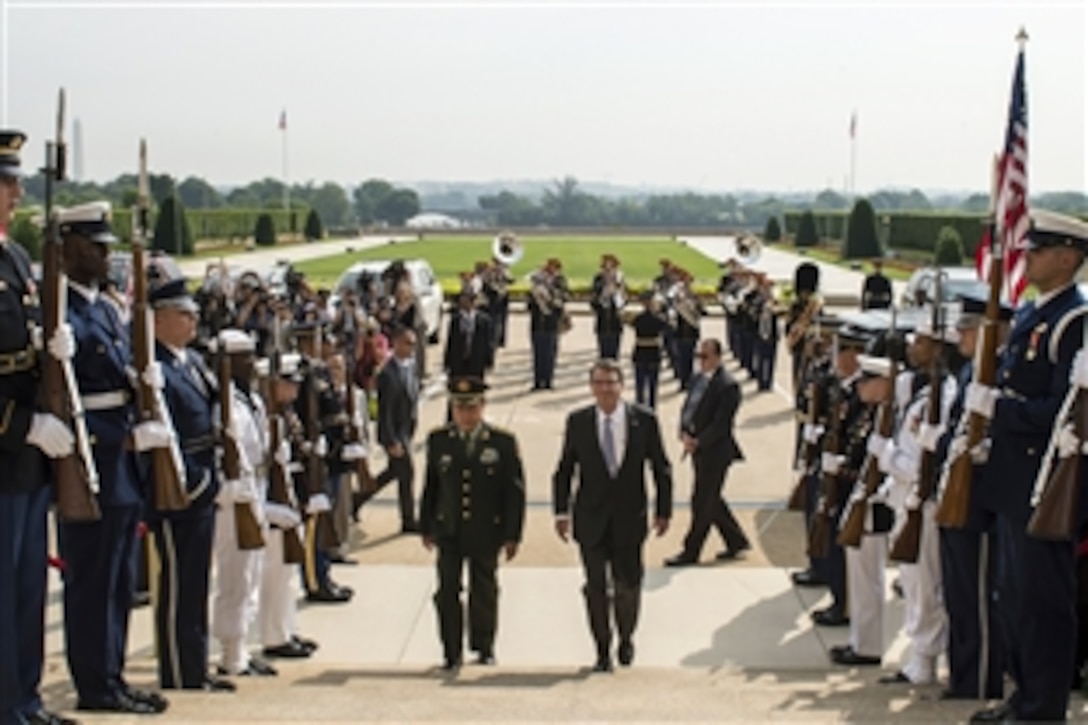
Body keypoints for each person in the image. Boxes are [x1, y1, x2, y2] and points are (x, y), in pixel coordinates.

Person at [968, 210, 1088, 724]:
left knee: (1043, 603)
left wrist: (998, 408)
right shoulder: (1031, 315)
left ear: (1069, 257)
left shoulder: (1073, 322)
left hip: (1044, 484)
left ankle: (1043, 707)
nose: (1028, 258)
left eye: (1038, 251)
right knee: (1012, 596)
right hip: (1013, 479)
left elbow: (1063, 411)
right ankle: (1022, 696)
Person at [59, 201, 172, 715]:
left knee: (121, 581)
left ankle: (113, 674)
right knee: (92, 582)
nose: (106, 256)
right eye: (96, 247)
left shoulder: (105, 308)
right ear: (70, 249)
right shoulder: (61, 311)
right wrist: (118, 436)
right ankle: (95, 684)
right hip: (94, 462)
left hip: (123, 464)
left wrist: (143, 389)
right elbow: (66, 398)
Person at [0, 129, 81, 725]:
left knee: (29, 588)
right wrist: (22, 423)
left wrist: (52, 348)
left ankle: (23, 699)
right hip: (8, 442)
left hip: (27, 460)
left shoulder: (16, 257)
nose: (17, 192)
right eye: (6, 183)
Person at [552, 359, 672, 672]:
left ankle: (626, 635)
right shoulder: (578, 421)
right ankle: (602, 648)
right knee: (595, 588)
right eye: (599, 383)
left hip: (629, 519)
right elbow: (565, 469)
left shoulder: (643, 420)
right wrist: (560, 511)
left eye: (611, 383)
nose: (605, 389)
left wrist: (663, 511)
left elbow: (661, 467)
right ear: (592, 387)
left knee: (628, 585)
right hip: (590, 519)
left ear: (621, 386)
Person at [147, 277, 235, 693]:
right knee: (178, 585)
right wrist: (198, 482)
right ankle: (179, 671)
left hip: (203, 478)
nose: (193, 319)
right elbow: (168, 434)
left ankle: (195, 665)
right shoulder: (157, 368)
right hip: (179, 488)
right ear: (160, 319)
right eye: (184, 314)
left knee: (197, 582)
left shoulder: (191, 362)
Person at [419, 377, 526, 672]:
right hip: (449, 529)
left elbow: (513, 492)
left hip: (485, 529)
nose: (465, 414)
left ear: (482, 407)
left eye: (471, 408)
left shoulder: (502, 442)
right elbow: (432, 486)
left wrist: (512, 534)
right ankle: (451, 650)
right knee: (447, 591)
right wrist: (425, 525)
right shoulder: (439, 440)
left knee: (484, 590)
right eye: (459, 408)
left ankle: (484, 644)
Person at [936, 291, 1013, 701]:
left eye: (969, 329)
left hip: (981, 499)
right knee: (959, 594)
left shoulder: (1000, 371)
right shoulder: (970, 372)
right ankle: (963, 674)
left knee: (980, 595)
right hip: (960, 493)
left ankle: (983, 677)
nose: (961, 336)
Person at [211, 328, 278, 679]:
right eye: (245, 356)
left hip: (255, 487)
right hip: (236, 493)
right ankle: (230, 652)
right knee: (235, 575)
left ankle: (243, 647)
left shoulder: (249, 398)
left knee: (252, 571)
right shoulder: (226, 401)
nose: (253, 363)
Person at [665, 338, 748, 566]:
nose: (700, 361)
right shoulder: (697, 379)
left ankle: (691, 551)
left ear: (718, 357)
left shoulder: (728, 386)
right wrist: (683, 432)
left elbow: (722, 424)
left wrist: (699, 441)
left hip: (716, 452)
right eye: (698, 356)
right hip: (697, 448)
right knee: (711, 499)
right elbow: (688, 408)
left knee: (701, 501)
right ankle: (736, 541)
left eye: (705, 357)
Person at [362, 326, 420, 532]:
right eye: (408, 343)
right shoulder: (387, 373)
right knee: (407, 474)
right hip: (394, 433)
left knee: (393, 473)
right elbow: (385, 411)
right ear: (395, 344)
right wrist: (390, 441)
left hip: (406, 430)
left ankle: (357, 499)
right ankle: (409, 520)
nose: (412, 347)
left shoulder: (411, 366)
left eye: (413, 343)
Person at [628, 292, 670, 410]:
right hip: (653, 353)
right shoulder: (659, 319)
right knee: (652, 385)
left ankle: (639, 407)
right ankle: (652, 409)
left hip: (640, 352)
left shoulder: (637, 318)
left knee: (640, 385)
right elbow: (669, 326)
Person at [443, 291, 494, 383]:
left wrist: (489, 361)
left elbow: (488, 342)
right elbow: (450, 342)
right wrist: (447, 362)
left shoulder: (484, 321)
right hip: (458, 362)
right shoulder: (456, 320)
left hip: (476, 361)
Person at [590, 254, 625, 360]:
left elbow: (624, 299)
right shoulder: (598, 279)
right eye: (605, 267)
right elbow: (593, 300)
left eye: (611, 267)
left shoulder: (619, 279)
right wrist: (603, 295)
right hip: (602, 320)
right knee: (603, 353)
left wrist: (617, 294)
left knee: (614, 352)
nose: (608, 270)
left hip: (615, 320)